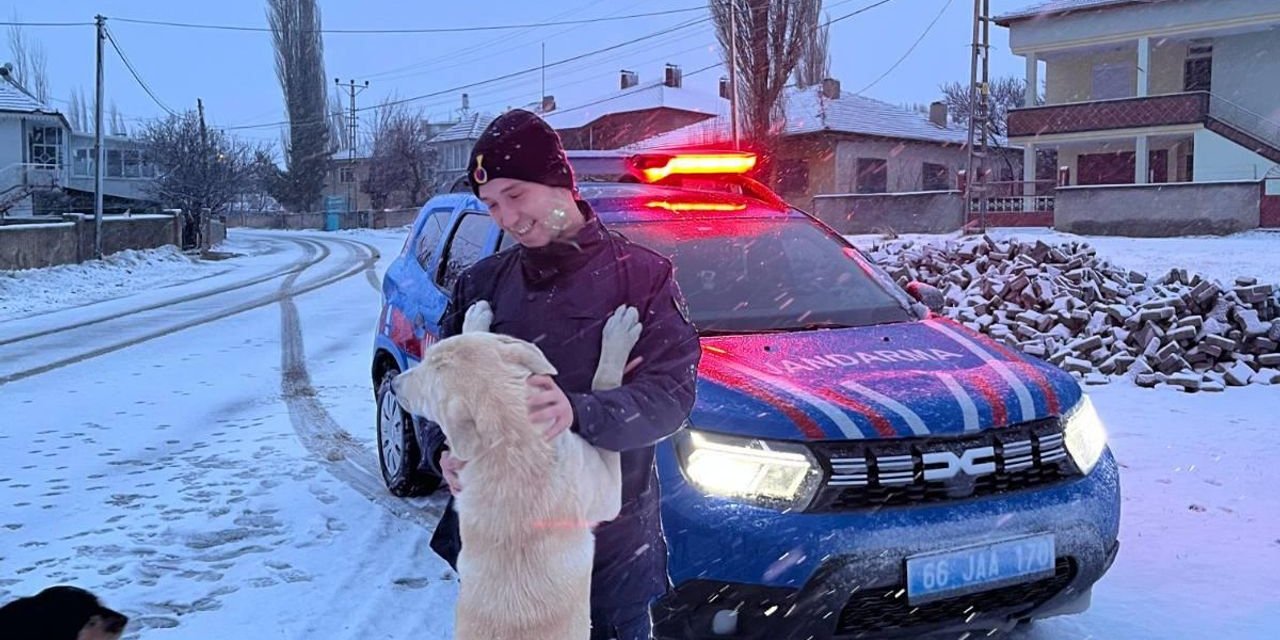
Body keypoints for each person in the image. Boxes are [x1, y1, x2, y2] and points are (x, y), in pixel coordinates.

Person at [422, 109, 701, 640]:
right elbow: (441, 388)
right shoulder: (481, 285)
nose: (505, 217)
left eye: (515, 195)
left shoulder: (640, 278)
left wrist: (580, 410)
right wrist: (446, 450)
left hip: (605, 552)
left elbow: (670, 396)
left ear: (559, 182)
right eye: (491, 206)